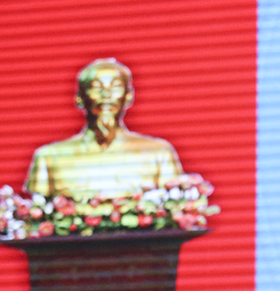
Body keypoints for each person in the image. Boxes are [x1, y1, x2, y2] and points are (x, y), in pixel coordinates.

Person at [25, 58, 184, 199]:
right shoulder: (49, 157)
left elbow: (173, 207)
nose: (106, 95)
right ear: (80, 97)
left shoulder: (158, 153)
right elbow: (37, 212)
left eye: (115, 87)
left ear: (128, 96)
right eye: (96, 87)